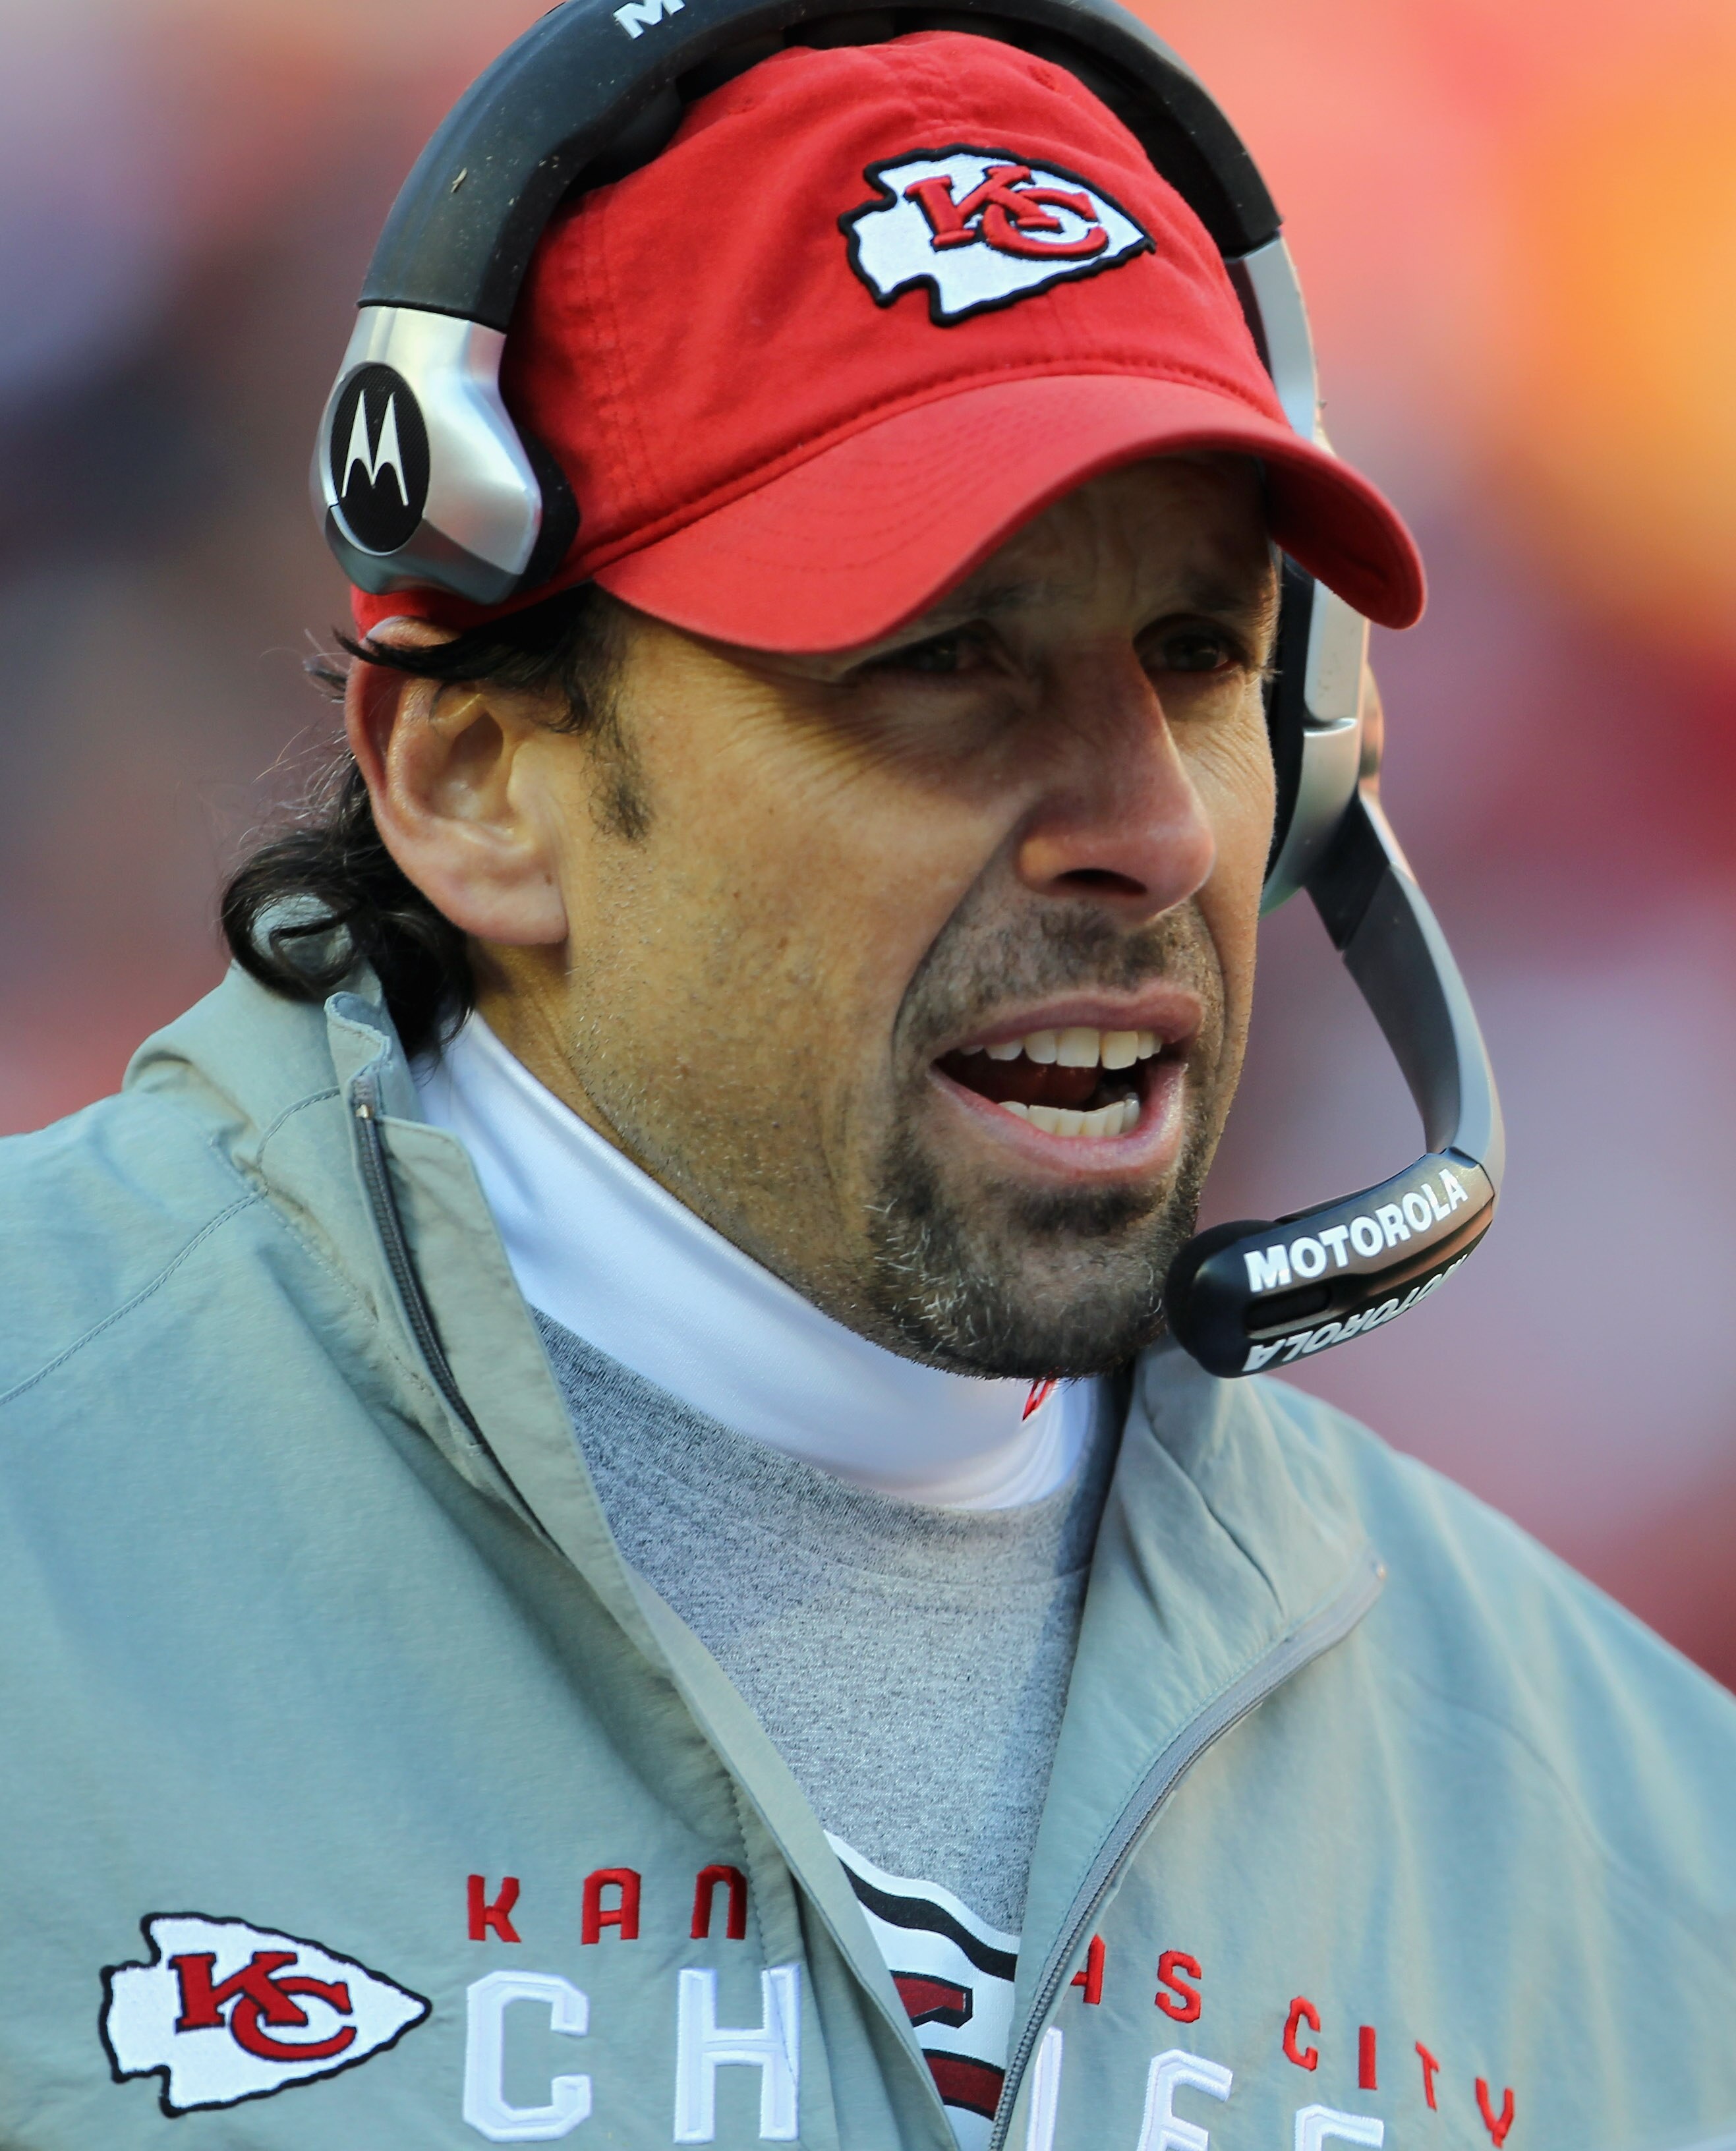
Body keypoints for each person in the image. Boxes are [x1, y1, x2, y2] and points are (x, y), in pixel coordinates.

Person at [1, 27, 1733, 2151]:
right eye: (937, 658)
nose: (1152, 831)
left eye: (1195, 656)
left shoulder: (1642, 1841)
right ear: (472, 783)